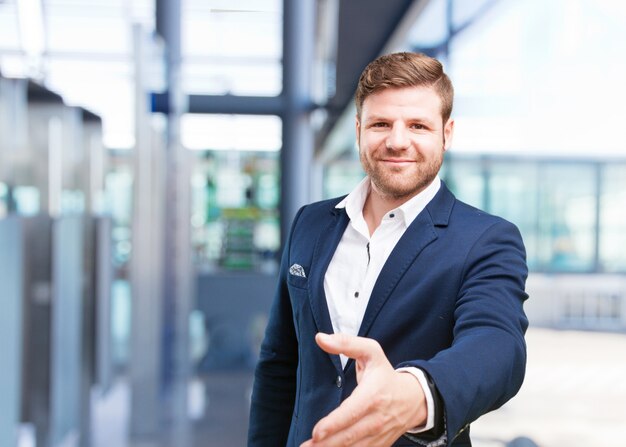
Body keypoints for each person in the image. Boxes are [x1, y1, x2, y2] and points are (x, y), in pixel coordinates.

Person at [248, 51, 529, 447]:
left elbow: (498, 346)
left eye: (418, 125)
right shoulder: (309, 224)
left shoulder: (487, 239)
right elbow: (279, 364)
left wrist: (414, 394)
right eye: (381, 123)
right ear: (359, 129)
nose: (398, 141)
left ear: (446, 134)